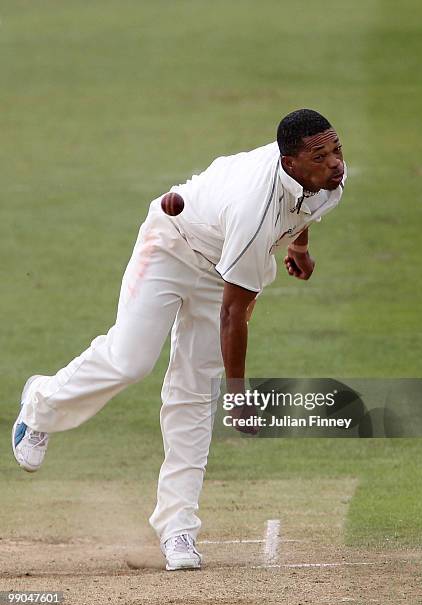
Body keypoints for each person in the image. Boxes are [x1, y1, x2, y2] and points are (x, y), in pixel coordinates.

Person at [12, 108, 346, 571]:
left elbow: (302, 209)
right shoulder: (255, 205)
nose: (335, 163)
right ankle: (41, 403)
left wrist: (299, 247)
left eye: (336, 150)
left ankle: (178, 529)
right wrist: (238, 395)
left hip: (222, 265)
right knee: (131, 360)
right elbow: (234, 313)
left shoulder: (326, 181)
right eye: (321, 155)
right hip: (172, 244)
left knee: (192, 392)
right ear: (290, 162)